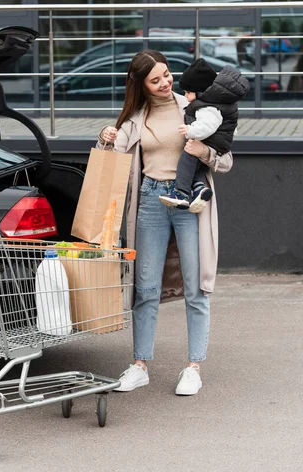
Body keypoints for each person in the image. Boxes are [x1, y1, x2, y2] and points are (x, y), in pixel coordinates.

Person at [97, 50, 232, 395]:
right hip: (151, 201)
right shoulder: (136, 117)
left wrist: (203, 153)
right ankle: (140, 365)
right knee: (145, 289)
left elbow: (226, 159)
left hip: (189, 203)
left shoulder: (193, 105)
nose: (165, 83)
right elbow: (112, 157)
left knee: (195, 287)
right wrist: (105, 138)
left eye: (167, 75)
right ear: (140, 84)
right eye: (155, 80)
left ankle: (193, 367)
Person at [159, 58, 249, 211]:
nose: (186, 97)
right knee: (198, 167)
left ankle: (180, 193)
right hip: (219, 141)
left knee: (187, 159)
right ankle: (200, 188)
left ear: (200, 91)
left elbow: (207, 127)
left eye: (188, 92)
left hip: (212, 142)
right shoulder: (217, 102)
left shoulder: (207, 107)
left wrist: (190, 131)